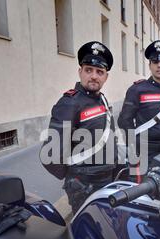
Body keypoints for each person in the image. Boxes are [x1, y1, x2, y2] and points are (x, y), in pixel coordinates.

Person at [40, 41, 117, 213]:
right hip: (84, 184)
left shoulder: (102, 100)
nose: (94, 76)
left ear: (106, 77)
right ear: (80, 72)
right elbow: (52, 154)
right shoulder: (69, 103)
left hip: (107, 178)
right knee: (87, 231)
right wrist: (73, 177)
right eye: (88, 70)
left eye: (99, 72)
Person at [118, 40, 160, 168]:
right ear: (150, 65)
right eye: (155, 62)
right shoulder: (137, 90)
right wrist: (134, 145)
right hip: (145, 151)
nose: (159, 65)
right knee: (145, 187)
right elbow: (124, 120)